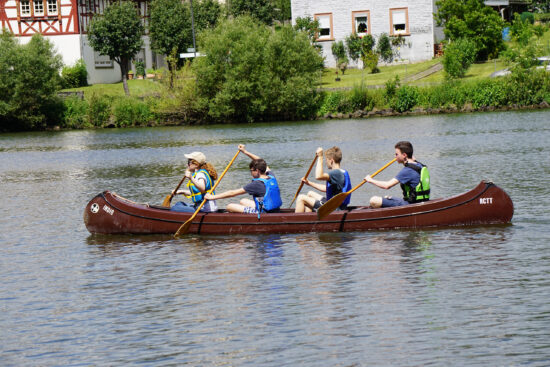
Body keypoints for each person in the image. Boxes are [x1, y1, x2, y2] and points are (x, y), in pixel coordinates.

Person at [204, 145, 282, 215]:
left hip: (262, 212)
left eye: (251, 171)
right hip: (274, 209)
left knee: (229, 206)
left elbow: (232, 193)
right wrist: (245, 152)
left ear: (257, 171)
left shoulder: (257, 184)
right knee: (243, 201)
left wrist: (212, 197)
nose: (250, 173)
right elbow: (261, 161)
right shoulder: (271, 176)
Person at [364, 141, 430, 208]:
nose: (395, 157)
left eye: (396, 154)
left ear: (404, 155)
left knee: (374, 200)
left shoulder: (407, 171)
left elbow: (387, 186)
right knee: (387, 197)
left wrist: (370, 180)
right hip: (421, 201)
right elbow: (412, 158)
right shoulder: (419, 165)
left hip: (411, 204)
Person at [294, 146, 352, 213]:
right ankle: (309, 217)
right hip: (337, 205)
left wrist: (320, 157)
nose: (326, 163)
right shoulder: (342, 172)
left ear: (331, 161)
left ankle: (299, 221)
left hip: (334, 209)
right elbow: (327, 188)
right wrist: (309, 183)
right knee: (310, 193)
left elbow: (318, 176)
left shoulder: (336, 173)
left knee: (301, 198)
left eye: (326, 160)